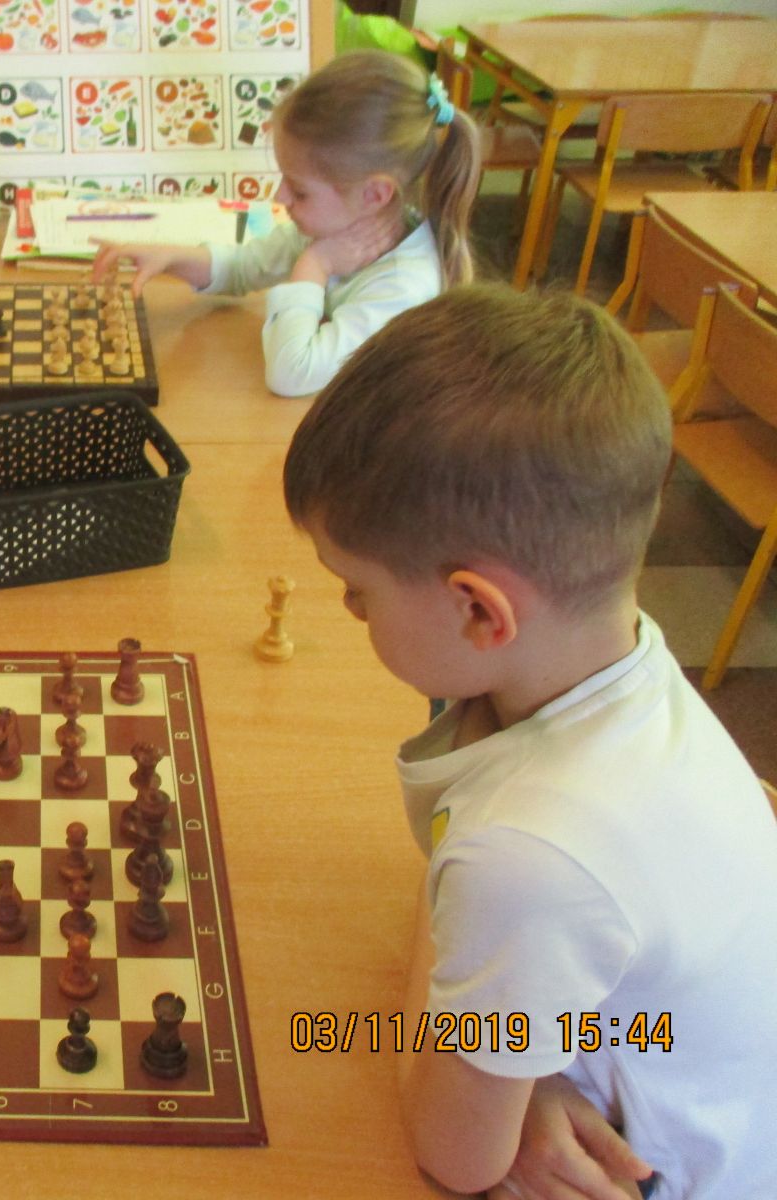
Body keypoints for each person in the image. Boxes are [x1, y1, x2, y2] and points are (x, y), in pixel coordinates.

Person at [281, 285, 777, 1199]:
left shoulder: (524, 857)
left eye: (357, 590)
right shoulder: (625, 665)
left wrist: (486, 1046)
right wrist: (522, 1060)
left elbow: (455, 1155)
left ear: (480, 611)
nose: (348, 610)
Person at [92, 50, 480, 397]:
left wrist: (315, 265)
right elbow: (244, 267)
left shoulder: (402, 287)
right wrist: (171, 257)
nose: (279, 197)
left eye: (299, 190)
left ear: (374, 194)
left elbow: (292, 374)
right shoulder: (333, 226)